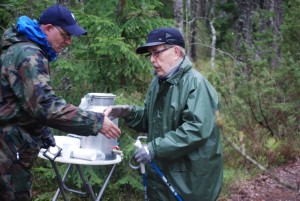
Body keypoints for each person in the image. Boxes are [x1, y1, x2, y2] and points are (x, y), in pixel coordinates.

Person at [0, 4, 121, 201]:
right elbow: (45, 106)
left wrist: (41, 131)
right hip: (8, 150)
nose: (69, 42)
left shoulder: (23, 49)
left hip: (13, 145)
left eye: (70, 37)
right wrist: (96, 122)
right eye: (65, 35)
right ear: (47, 28)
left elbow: (22, 102)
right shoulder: (30, 54)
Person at [108, 27, 223, 201]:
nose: (152, 60)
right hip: (164, 178)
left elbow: (196, 129)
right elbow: (150, 119)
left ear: (176, 52)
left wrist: (154, 149)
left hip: (190, 182)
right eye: (150, 55)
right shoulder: (158, 83)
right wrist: (127, 112)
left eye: (156, 53)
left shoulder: (196, 84)